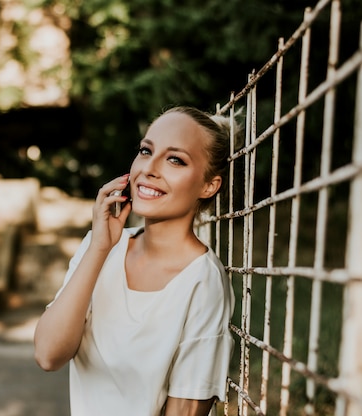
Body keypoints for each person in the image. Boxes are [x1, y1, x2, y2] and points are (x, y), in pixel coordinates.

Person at [33, 106, 238, 416]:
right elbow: (49, 355)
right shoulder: (100, 249)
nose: (150, 168)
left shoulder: (203, 281)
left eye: (175, 160)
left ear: (209, 185)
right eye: (146, 151)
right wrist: (100, 248)